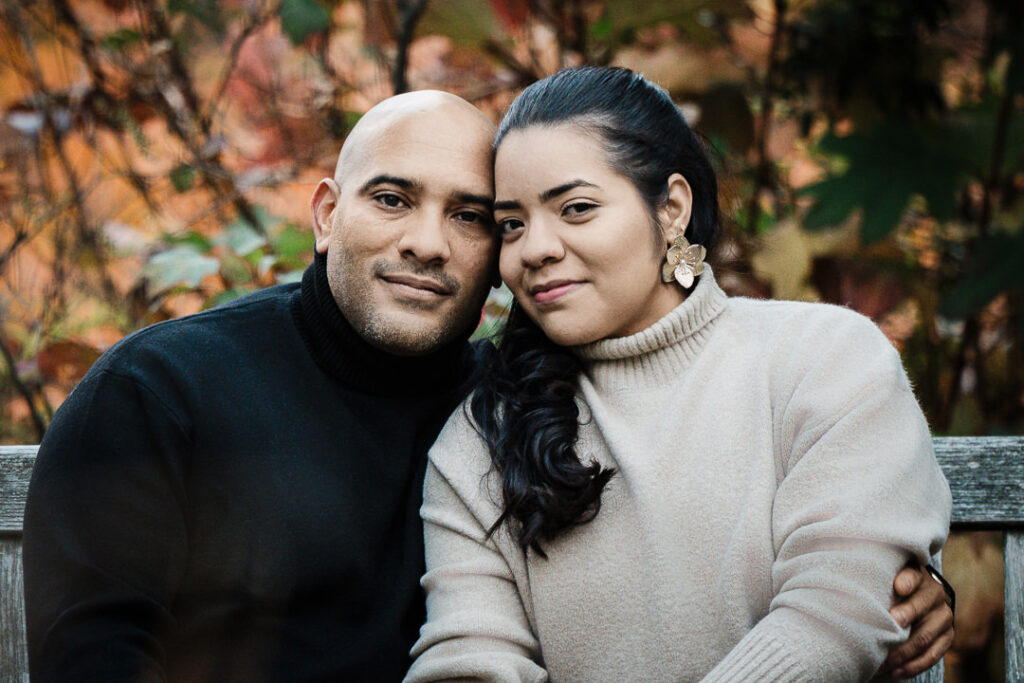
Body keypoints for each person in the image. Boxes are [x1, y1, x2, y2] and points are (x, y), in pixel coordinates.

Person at [22, 87, 950, 682]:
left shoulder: (497, 400)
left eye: (472, 217)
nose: (431, 241)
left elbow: (827, 585)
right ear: (325, 212)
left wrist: (884, 587)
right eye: (393, 199)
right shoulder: (165, 391)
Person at [406, 66, 953, 682]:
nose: (535, 248)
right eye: (512, 223)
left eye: (576, 208)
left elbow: (834, 613)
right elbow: (470, 660)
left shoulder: (823, 359)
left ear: (671, 208)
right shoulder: (482, 436)